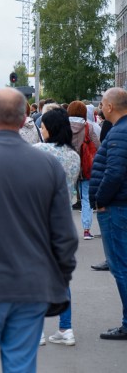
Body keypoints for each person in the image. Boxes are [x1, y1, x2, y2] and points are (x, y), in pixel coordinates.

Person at [0, 88, 77, 373]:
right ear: (24, 119)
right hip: (31, 284)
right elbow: (64, 236)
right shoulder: (48, 165)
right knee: (21, 364)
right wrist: (60, 278)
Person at [33, 108, 81, 346]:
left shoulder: (39, 151)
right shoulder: (74, 156)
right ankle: (66, 328)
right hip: (64, 220)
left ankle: (38, 332)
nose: (40, 130)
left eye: (42, 126)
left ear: (49, 129)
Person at [90, 87, 127, 341]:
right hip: (120, 205)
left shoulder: (118, 134)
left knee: (120, 266)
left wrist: (100, 200)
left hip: (115, 207)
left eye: (102, 103)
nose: (101, 107)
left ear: (110, 107)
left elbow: (113, 172)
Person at [68, 100, 101, 239]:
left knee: (66, 197)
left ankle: (66, 230)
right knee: (87, 198)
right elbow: (98, 146)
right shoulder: (89, 127)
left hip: (68, 165)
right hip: (86, 166)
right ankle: (86, 230)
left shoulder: (63, 125)